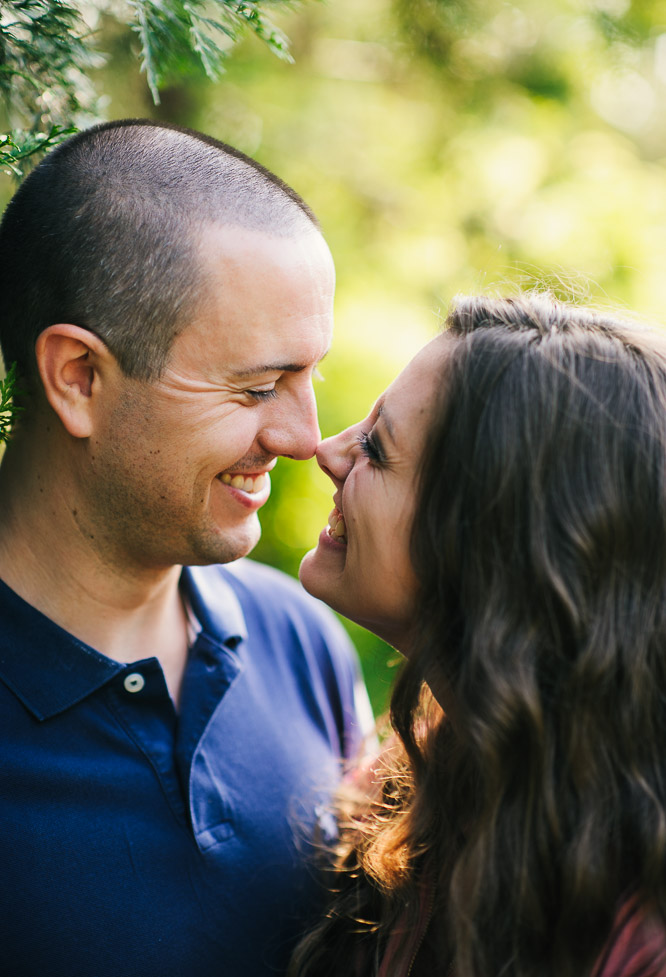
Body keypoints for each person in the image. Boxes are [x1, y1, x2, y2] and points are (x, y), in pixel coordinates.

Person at [0, 119, 372, 977]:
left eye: (309, 377)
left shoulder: (298, 637)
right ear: (78, 379)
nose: (302, 437)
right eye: (256, 387)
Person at [293, 293, 666, 977]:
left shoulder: (643, 920)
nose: (327, 448)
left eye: (376, 447)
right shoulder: (403, 786)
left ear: (492, 543)